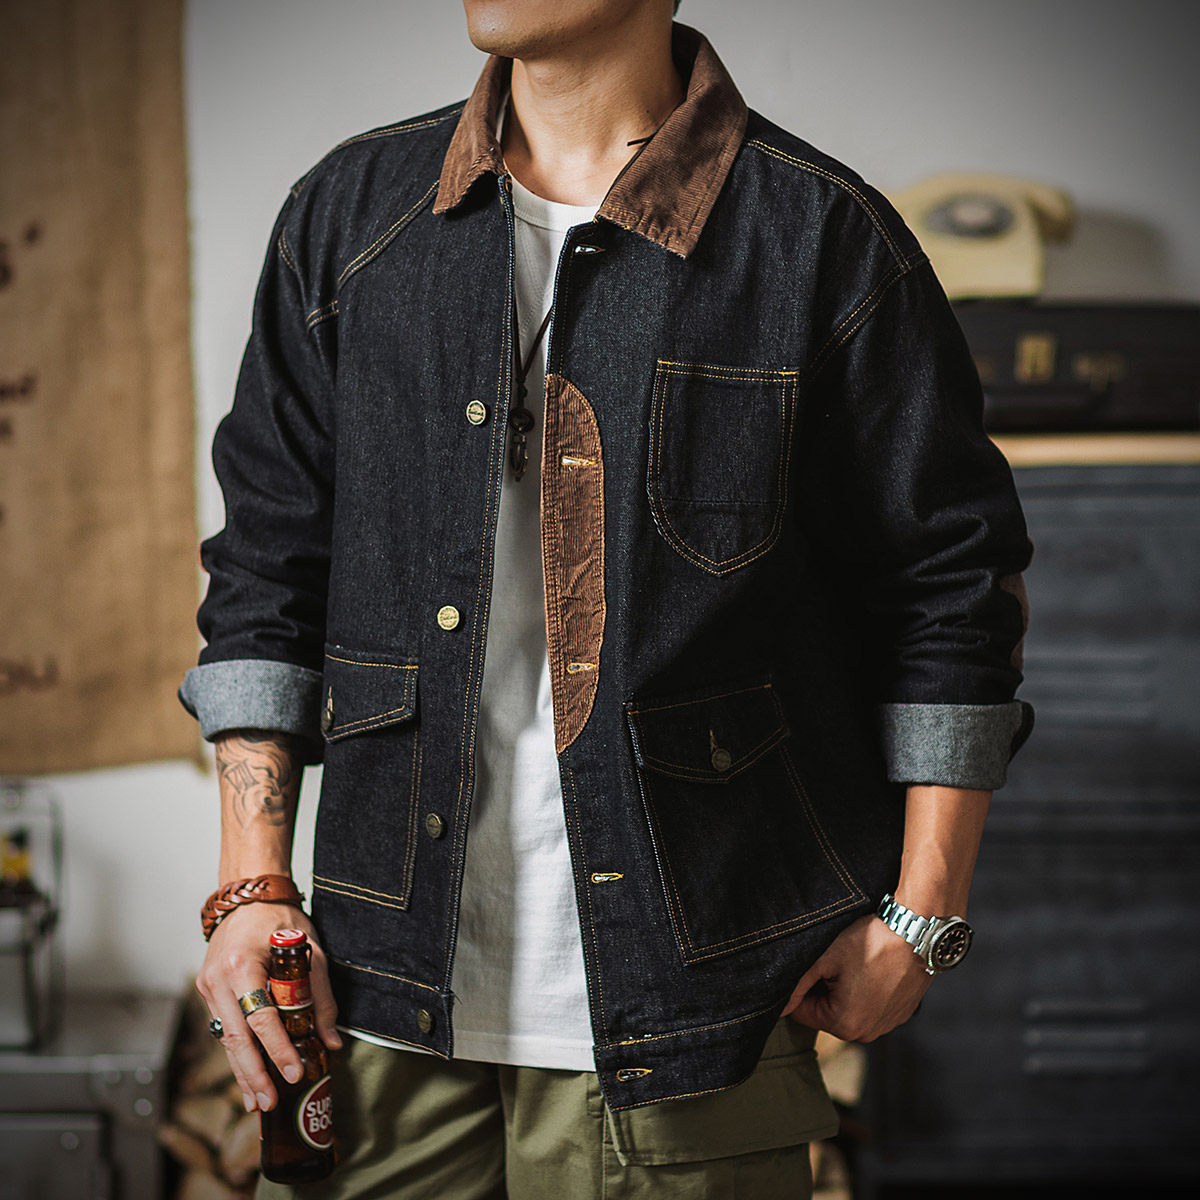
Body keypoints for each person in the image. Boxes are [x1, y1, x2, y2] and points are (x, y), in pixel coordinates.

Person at [181, 1, 1034, 1195]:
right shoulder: (350, 217)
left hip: (695, 1006)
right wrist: (253, 886)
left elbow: (950, 590)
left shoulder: (820, 236)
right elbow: (267, 566)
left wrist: (923, 917)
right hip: (376, 995)